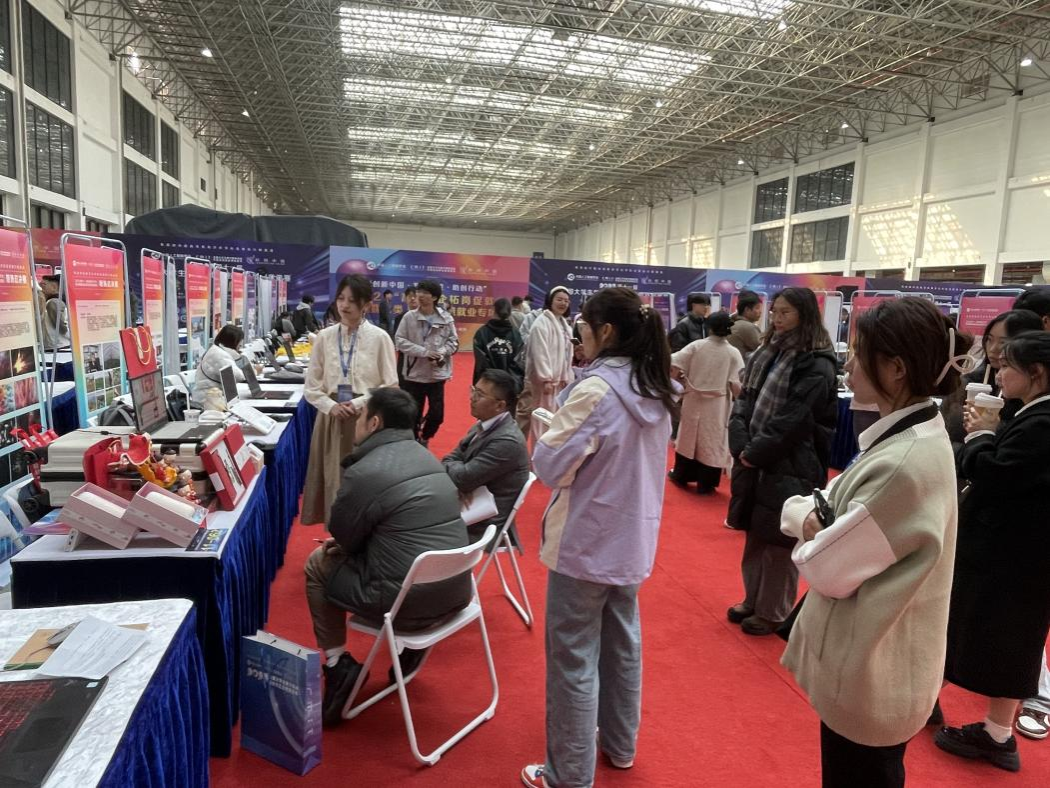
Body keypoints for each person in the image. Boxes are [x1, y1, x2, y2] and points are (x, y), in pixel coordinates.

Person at [780, 297, 965, 788]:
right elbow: (830, 513)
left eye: (859, 353)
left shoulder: (905, 460)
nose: (848, 365)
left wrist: (802, 515)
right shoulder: (914, 433)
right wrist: (818, 517)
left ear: (896, 369)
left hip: (873, 669)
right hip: (884, 663)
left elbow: (825, 568)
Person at [521, 287, 677, 788]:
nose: (579, 337)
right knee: (622, 643)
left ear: (605, 331)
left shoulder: (596, 390)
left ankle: (568, 774)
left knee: (573, 658)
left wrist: (553, 432)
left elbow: (549, 465)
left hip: (585, 543)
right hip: (632, 540)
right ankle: (620, 743)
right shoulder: (655, 387)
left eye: (584, 328)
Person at [304, 388, 472, 726]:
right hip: (455, 591)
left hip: (405, 601)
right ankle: (410, 650)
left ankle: (337, 664)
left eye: (362, 416)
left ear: (374, 423)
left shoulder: (366, 470)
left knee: (317, 563)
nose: (357, 422)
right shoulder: (428, 457)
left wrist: (347, 544)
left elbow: (343, 531)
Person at [935, 331, 1050, 773]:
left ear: (1036, 373)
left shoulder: (1041, 422)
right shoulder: (1031, 414)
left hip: (1011, 554)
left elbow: (996, 473)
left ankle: (995, 733)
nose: (999, 374)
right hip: (1019, 553)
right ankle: (994, 731)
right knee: (1005, 639)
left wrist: (981, 436)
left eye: (1007, 367)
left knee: (1001, 639)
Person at [726, 287, 838, 636]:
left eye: (785, 312)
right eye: (774, 311)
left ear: (805, 315)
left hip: (793, 460)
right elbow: (744, 399)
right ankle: (753, 600)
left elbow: (795, 419)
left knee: (779, 537)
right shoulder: (766, 351)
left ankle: (773, 610)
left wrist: (754, 451)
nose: (776, 318)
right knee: (754, 532)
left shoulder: (816, 361)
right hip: (757, 454)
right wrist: (741, 444)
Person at [302, 275, 398, 525]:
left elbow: (390, 384)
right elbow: (311, 386)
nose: (344, 306)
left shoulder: (380, 338)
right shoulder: (324, 337)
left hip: (368, 418)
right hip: (332, 417)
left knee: (363, 479)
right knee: (333, 476)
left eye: (352, 300)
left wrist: (358, 403)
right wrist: (330, 406)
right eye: (341, 298)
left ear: (366, 304)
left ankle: (362, 535)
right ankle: (336, 533)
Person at [442, 369, 529, 546]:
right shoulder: (483, 425)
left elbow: (461, 478)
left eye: (479, 395)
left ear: (499, 406)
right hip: (464, 506)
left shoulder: (507, 441)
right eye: (473, 390)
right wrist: (459, 474)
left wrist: (460, 477)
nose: (472, 398)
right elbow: (449, 460)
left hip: (480, 522)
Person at [940, 309, 1042, 448]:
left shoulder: (1032, 405)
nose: (993, 349)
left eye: (1003, 342)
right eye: (989, 339)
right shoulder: (970, 382)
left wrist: (989, 429)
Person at [669, 311, 743, 494]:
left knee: (688, 437)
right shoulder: (733, 353)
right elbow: (737, 383)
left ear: (709, 327)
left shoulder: (697, 346)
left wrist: (680, 379)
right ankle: (706, 482)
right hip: (717, 404)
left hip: (693, 398)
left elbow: (673, 361)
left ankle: (682, 474)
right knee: (712, 440)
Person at [395, 279, 458, 447]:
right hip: (414, 374)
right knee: (413, 414)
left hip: (436, 375)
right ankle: (415, 441)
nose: (419, 296)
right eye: (419, 292)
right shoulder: (409, 317)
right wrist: (424, 352)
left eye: (425, 293)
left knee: (437, 415)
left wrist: (442, 352)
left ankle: (426, 435)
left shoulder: (446, 318)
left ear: (435, 297)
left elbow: (453, 342)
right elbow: (399, 341)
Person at [525, 286, 574, 446]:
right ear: (550, 301)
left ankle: (550, 453)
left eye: (566, 301)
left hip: (560, 382)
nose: (563, 303)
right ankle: (538, 455)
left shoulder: (565, 325)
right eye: (559, 299)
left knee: (556, 420)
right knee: (542, 419)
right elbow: (539, 352)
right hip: (546, 383)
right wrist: (546, 378)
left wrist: (567, 375)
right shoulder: (541, 323)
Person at [191, 324, 248, 410]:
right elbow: (239, 377)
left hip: (215, 396)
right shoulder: (219, 355)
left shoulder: (218, 350)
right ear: (233, 341)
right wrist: (254, 371)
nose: (239, 347)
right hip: (208, 400)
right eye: (239, 345)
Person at [472, 298, 524, 384]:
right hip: (508, 383)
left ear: (493, 310)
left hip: (487, 383)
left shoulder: (481, 333)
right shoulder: (516, 335)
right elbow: (517, 362)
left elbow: (481, 362)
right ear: (510, 312)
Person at [728, 290, 763, 360]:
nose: (760, 311)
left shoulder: (732, 321)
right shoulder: (747, 327)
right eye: (757, 308)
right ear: (747, 310)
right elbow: (762, 349)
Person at [38, 275, 69, 350]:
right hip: (59, 344)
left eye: (44, 284)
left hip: (57, 345)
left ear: (54, 287)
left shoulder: (53, 302)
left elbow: (61, 327)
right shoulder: (55, 301)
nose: (41, 287)